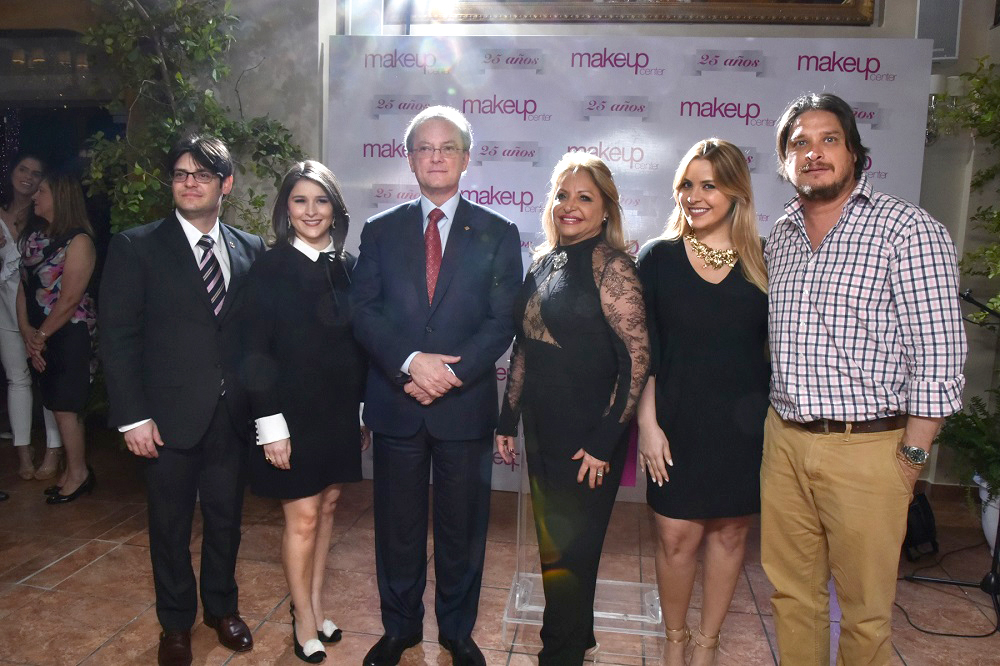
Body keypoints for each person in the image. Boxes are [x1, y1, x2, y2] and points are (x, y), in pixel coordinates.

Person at [763, 92, 967, 665]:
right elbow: (719, 269)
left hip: (870, 450)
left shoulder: (908, 230)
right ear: (784, 162)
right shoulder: (778, 236)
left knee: (866, 612)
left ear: (855, 151)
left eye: (829, 139)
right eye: (798, 143)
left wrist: (913, 457)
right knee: (791, 596)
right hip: (784, 444)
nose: (814, 153)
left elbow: (940, 356)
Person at [351, 106, 522, 666]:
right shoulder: (378, 231)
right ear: (410, 158)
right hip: (396, 404)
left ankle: (456, 631)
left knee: (462, 530)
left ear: (466, 158)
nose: (436, 156)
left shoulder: (498, 233)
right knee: (396, 530)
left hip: (463, 406)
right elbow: (364, 312)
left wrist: (447, 374)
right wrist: (409, 363)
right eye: (425, 147)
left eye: (448, 147)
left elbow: (503, 320)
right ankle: (398, 629)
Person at [100, 135, 265, 666]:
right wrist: (132, 416)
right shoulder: (135, 246)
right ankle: (175, 622)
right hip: (165, 418)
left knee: (225, 520)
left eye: (202, 173)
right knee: (169, 525)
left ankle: (221, 608)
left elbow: (255, 338)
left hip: (230, 415)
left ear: (227, 185)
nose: (189, 182)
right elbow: (118, 338)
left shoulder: (250, 248)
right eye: (180, 174)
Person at [496, 151, 650, 666]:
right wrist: (507, 419)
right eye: (563, 195)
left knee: (571, 556)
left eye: (585, 197)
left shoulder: (613, 267)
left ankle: (556, 655)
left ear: (606, 209)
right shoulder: (544, 261)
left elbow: (637, 360)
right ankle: (577, 642)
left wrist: (605, 442)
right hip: (543, 431)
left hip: (588, 439)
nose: (570, 206)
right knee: (556, 552)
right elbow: (526, 346)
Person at [635, 139, 768, 666]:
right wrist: (647, 425)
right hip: (674, 422)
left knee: (732, 534)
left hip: (743, 427)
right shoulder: (658, 258)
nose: (694, 195)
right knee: (674, 537)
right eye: (687, 185)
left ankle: (708, 647)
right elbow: (642, 351)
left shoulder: (765, 261)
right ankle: (675, 644)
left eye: (708, 184)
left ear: (736, 191)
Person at [243, 160, 370, 663]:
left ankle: (315, 608)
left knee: (329, 507)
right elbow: (254, 352)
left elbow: (355, 348)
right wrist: (271, 425)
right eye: (300, 200)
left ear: (336, 209)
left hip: (338, 412)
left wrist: (360, 411)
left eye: (321, 201)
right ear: (285, 209)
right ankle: (301, 619)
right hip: (289, 416)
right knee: (302, 519)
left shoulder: (347, 266)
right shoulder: (269, 268)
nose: (311, 211)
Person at [17, 171, 97, 504]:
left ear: (61, 197)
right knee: (53, 403)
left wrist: (41, 335)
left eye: (43, 191)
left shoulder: (79, 241)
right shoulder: (33, 239)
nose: (35, 195)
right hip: (40, 334)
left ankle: (78, 474)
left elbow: (69, 298)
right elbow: (23, 289)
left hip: (70, 334)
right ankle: (70, 471)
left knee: (67, 406)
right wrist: (27, 333)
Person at [0, 153, 62, 480]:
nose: (27, 177)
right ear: (11, 173)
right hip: (5, 309)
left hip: (40, 310)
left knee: (47, 376)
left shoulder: (44, 216)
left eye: (36, 174)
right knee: (17, 378)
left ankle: (54, 449)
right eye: (23, 169)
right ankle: (23, 454)